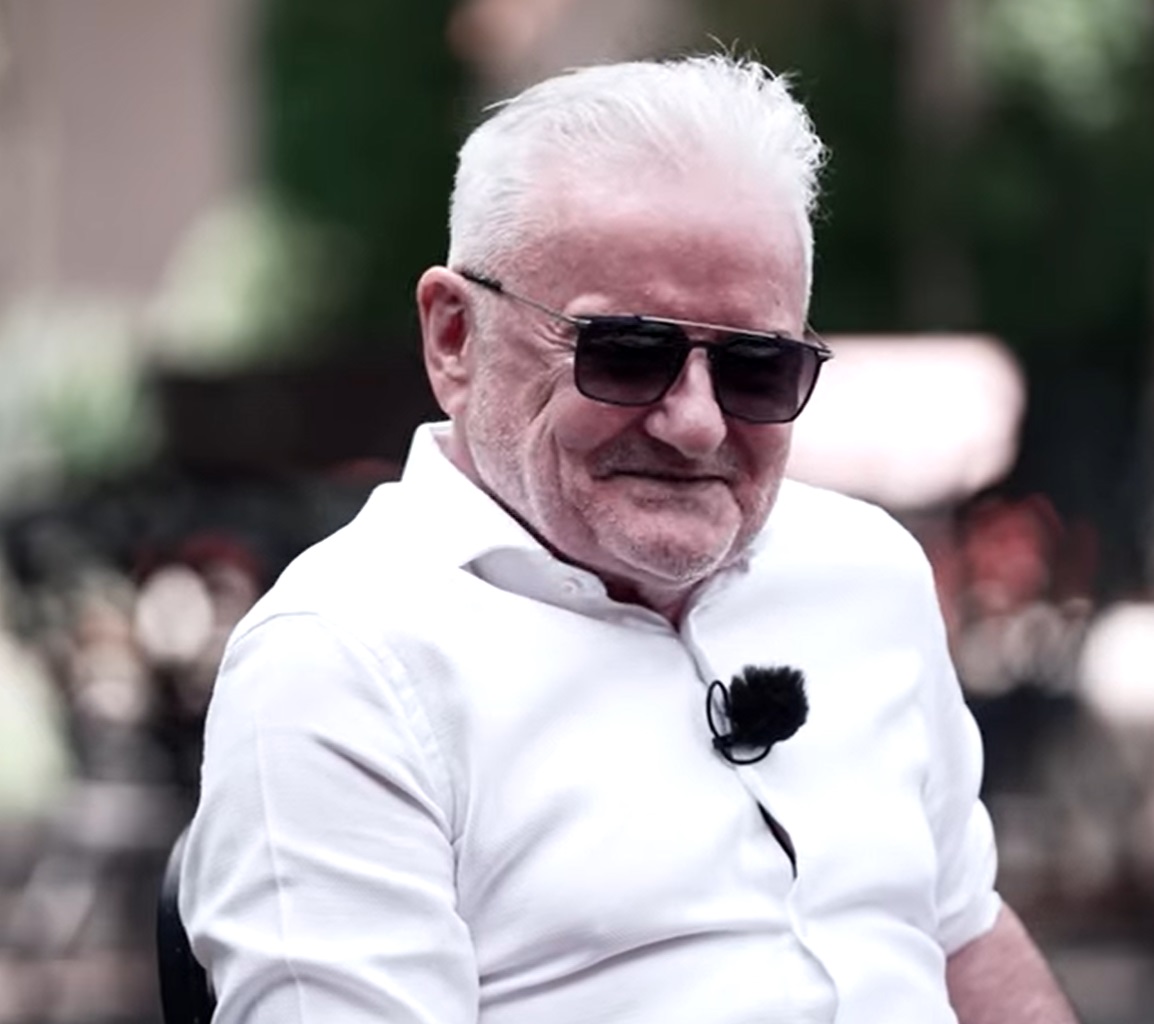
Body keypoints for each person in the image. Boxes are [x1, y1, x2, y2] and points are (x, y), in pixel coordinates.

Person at [181, 54, 1079, 1023]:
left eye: (756, 368)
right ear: (454, 337)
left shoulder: (868, 572)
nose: (695, 423)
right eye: (627, 354)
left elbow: (960, 931)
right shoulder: (343, 662)